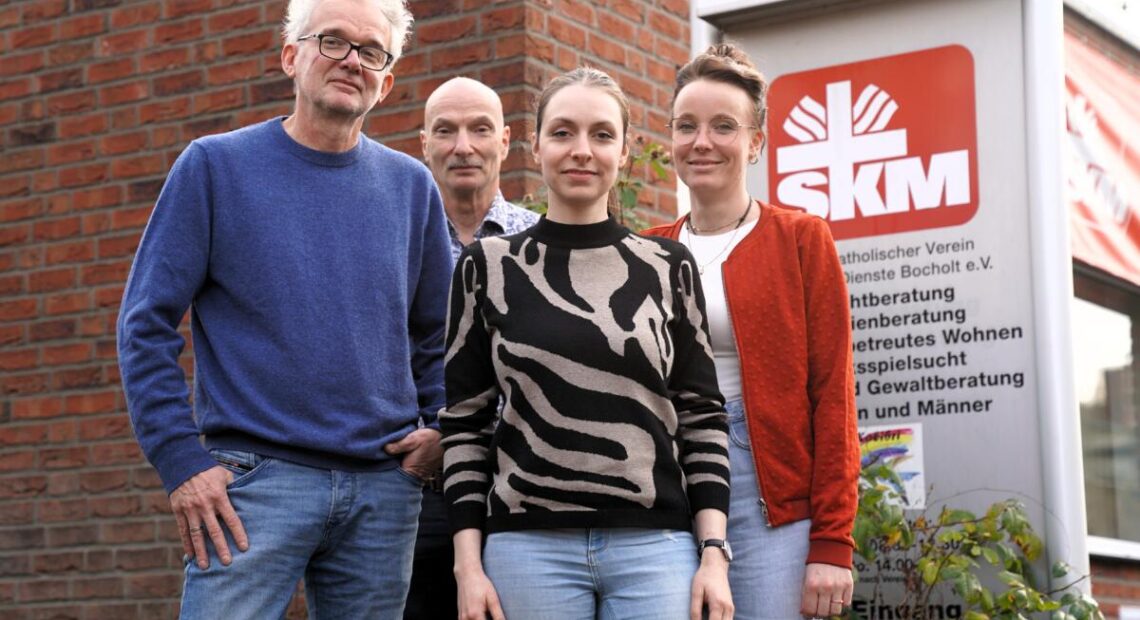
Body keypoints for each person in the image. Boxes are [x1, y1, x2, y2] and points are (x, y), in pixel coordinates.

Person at [116, 0, 452, 616]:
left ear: (387, 81)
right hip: (251, 486)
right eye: (332, 41)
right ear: (290, 56)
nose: (352, 60)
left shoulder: (412, 188)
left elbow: (442, 335)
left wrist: (440, 426)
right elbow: (145, 324)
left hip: (385, 491)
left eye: (372, 51)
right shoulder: (214, 167)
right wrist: (182, 462)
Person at [440, 67, 734, 620]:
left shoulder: (668, 267)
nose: (582, 151)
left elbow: (701, 418)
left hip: (657, 548)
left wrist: (713, 554)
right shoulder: (488, 266)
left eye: (601, 135)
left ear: (624, 153)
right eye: (562, 132)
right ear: (535, 145)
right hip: (527, 550)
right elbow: (464, 423)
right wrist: (467, 566)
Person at [644, 43, 860, 619]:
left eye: (723, 126)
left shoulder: (800, 239)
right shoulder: (647, 250)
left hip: (772, 492)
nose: (702, 141)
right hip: (668, 481)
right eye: (686, 126)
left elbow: (833, 396)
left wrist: (832, 541)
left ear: (757, 141)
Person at [406, 76, 538, 620]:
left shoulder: (542, 242)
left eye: (480, 129)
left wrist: (456, 437)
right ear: (423, 143)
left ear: (505, 142)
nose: (463, 146)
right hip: (414, 491)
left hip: (521, 488)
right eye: (446, 131)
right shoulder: (396, 241)